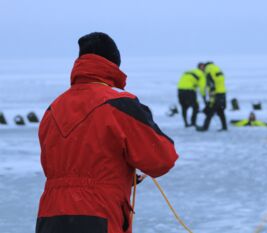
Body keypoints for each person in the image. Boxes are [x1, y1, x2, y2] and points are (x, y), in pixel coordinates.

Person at [35, 32, 179, 233]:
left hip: (51, 215)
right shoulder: (119, 104)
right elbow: (162, 159)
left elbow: (71, 165)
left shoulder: (53, 108)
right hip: (97, 215)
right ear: (113, 65)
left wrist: (119, 175)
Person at [197, 62, 227, 131]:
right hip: (222, 92)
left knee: (210, 110)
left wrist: (211, 94)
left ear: (203, 66)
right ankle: (224, 127)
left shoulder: (208, 69)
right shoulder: (216, 68)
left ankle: (205, 127)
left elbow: (211, 83)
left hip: (215, 93)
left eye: (201, 69)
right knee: (220, 110)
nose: (202, 71)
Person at [177, 63, 206, 127]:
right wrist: (204, 98)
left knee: (184, 107)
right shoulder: (201, 74)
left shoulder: (189, 71)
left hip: (180, 90)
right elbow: (202, 88)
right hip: (189, 91)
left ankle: (186, 123)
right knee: (195, 107)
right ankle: (193, 123)